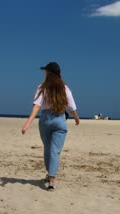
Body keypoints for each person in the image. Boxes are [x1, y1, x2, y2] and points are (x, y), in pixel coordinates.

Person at [21, 62, 80, 191]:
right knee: (55, 151)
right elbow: (72, 107)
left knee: (48, 149)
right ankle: (51, 179)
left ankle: (50, 174)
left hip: (45, 120)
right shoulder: (65, 88)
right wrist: (76, 119)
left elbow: (36, 106)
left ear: (49, 73)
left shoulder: (42, 87)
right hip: (59, 120)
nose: (44, 73)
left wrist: (27, 124)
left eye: (45, 71)